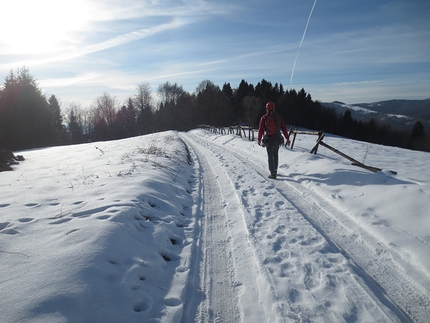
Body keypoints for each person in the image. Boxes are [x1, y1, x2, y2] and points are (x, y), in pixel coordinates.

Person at [257, 102, 290, 179]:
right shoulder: (279, 117)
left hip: (269, 139)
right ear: (274, 108)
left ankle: (273, 173)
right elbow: (284, 128)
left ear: (266, 108)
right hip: (278, 138)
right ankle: (275, 170)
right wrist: (287, 138)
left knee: (270, 156)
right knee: (275, 155)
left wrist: (259, 139)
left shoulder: (264, 118)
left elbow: (261, 129)